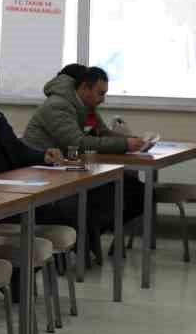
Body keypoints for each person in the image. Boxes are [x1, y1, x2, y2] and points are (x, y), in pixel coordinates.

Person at [21, 64, 147, 235]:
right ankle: (89, 235)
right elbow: (78, 143)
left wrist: (134, 141)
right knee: (125, 193)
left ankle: (92, 234)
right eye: (100, 93)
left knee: (139, 192)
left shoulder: (86, 107)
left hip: (71, 171)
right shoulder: (57, 106)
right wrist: (126, 145)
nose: (103, 99)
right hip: (46, 174)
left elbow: (103, 133)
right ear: (84, 88)